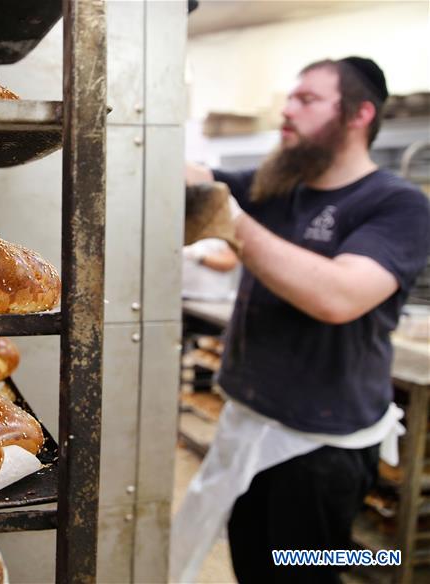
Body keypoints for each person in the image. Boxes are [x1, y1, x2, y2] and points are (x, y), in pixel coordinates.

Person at [171, 56, 430, 583]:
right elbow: (198, 177)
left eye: (307, 99)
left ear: (359, 114)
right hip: (249, 425)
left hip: (319, 450)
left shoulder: (396, 204)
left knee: (305, 570)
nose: (287, 110)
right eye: (290, 97)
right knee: (254, 561)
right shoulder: (278, 185)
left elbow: (338, 296)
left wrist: (234, 222)